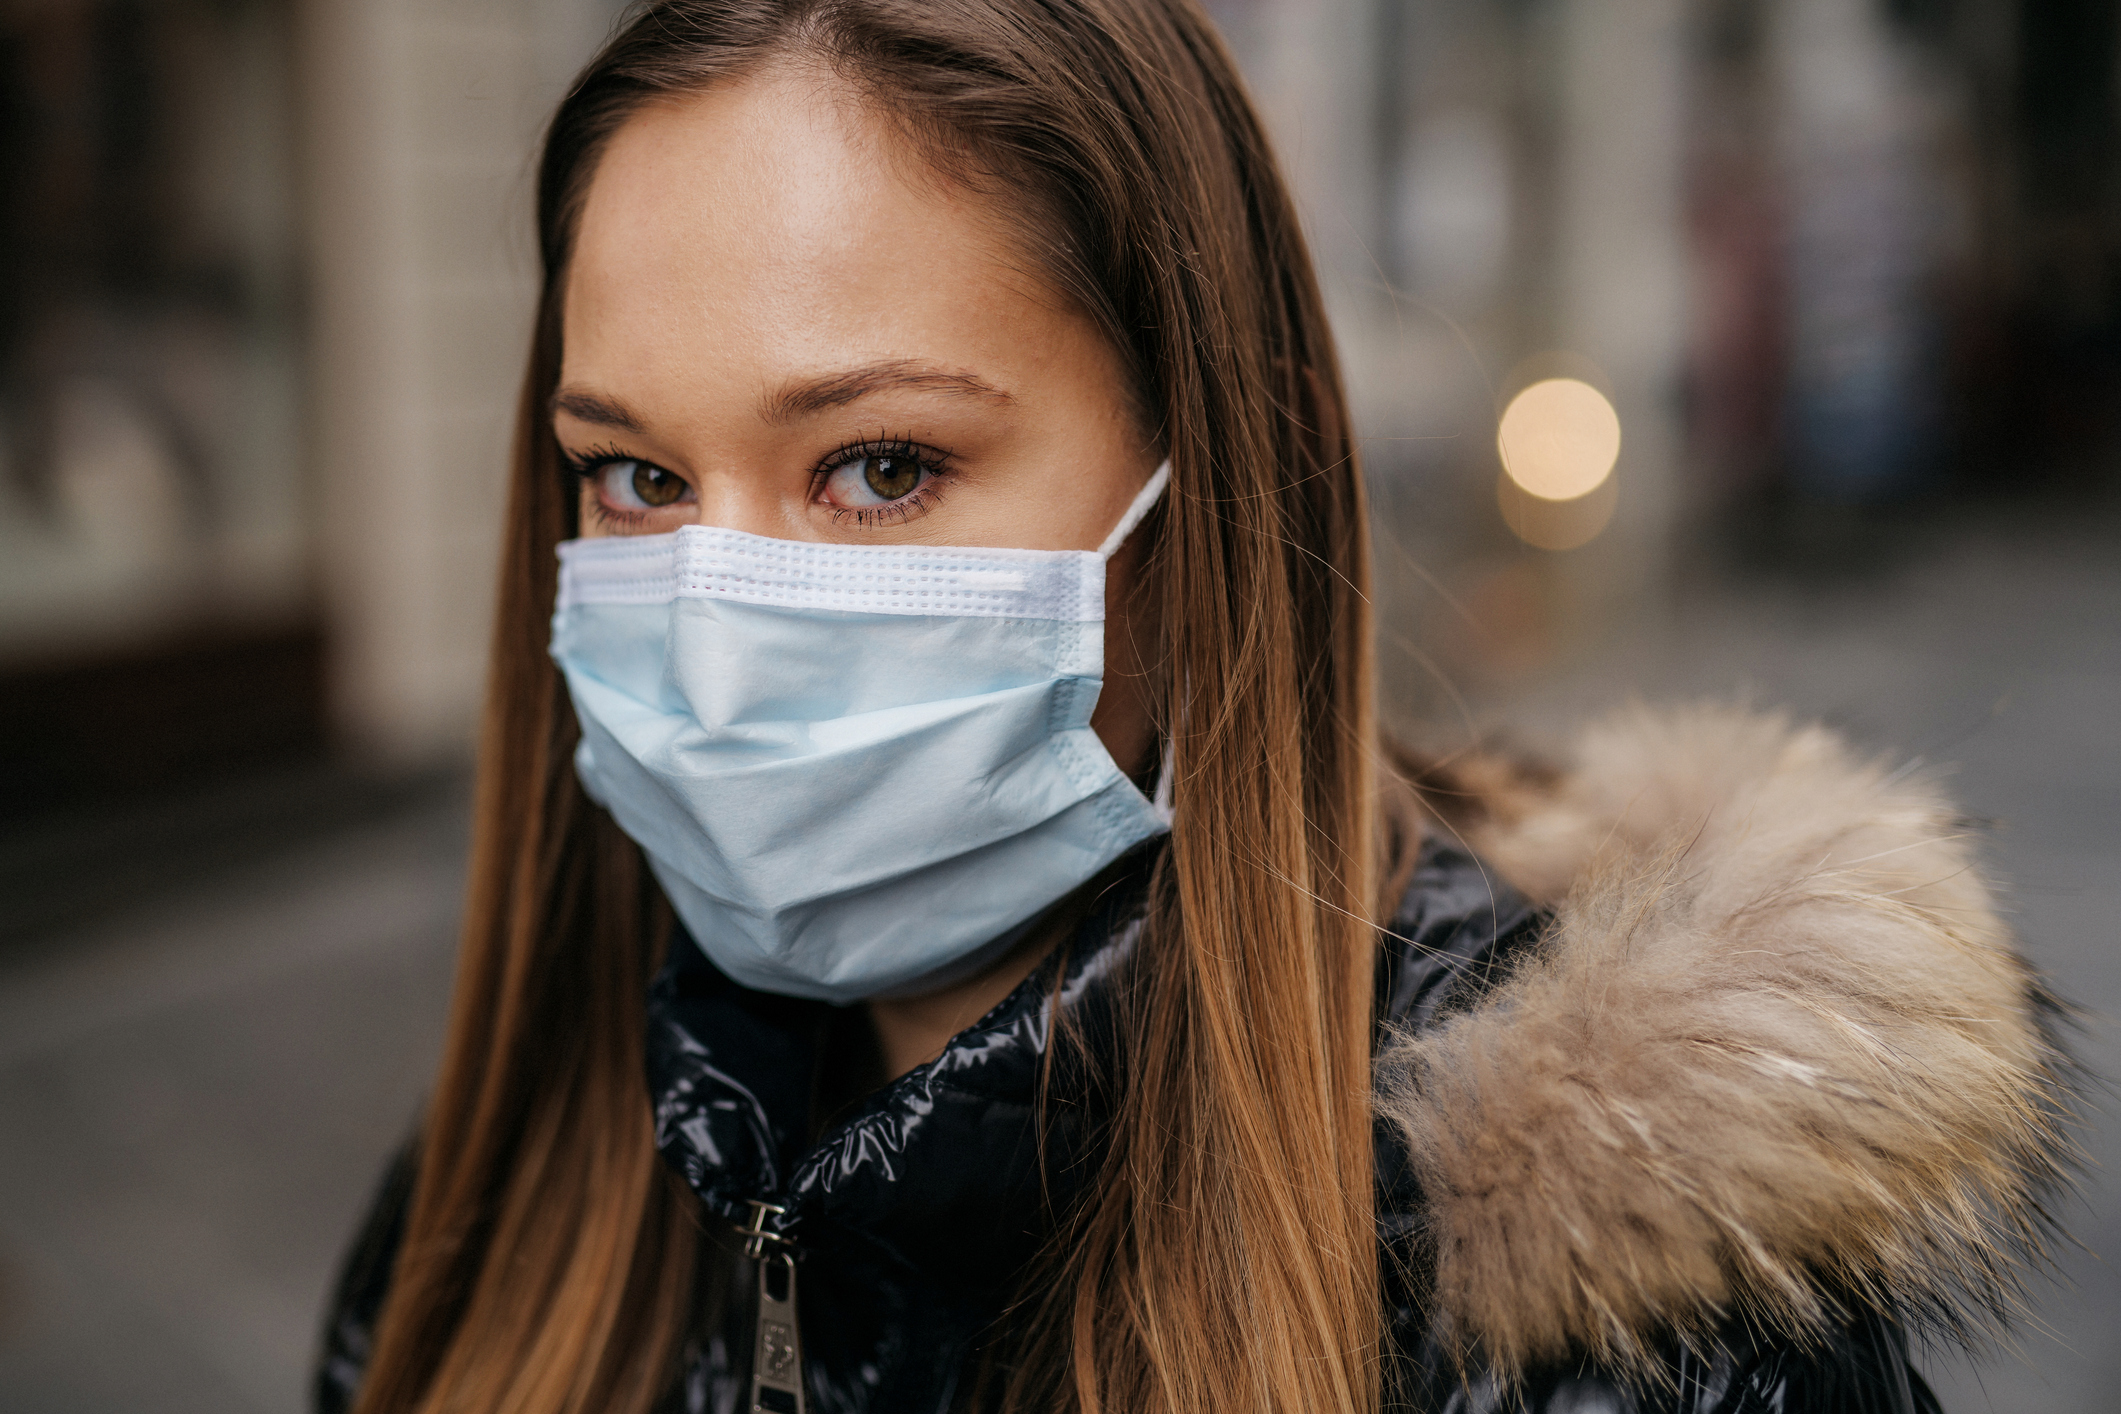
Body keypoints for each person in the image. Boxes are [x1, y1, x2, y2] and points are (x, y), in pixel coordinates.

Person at [315, 2, 2078, 1412]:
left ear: (1211, 481)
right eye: (630, 477)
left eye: (877, 463)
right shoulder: (498, 1207)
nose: (711, 630)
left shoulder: (1605, 1336)